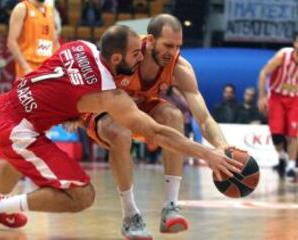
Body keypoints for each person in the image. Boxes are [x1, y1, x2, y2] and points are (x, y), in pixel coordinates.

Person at [0, 25, 242, 239]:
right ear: (116, 58)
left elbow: (61, 82)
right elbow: (156, 134)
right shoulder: (108, 93)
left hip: (9, 103)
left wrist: (70, 108)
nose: (140, 58)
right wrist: (207, 154)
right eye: (136, 54)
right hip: (17, 127)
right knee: (82, 195)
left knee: (18, 159)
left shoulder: (80, 45)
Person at [79, 14, 239, 239]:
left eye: (177, 46)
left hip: (142, 107)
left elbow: (203, 118)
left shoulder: (179, 67)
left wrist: (223, 147)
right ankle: (130, 215)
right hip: (107, 108)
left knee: (174, 115)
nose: (173, 52)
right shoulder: (127, 51)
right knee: (119, 133)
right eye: (168, 45)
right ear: (150, 40)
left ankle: (171, 207)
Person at [258, 38, 298, 180]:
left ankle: (291, 167)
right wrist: (262, 97)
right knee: (277, 135)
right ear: (295, 43)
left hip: (295, 99)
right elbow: (264, 72)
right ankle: (283, 157)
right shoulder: (283, 56)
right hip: (276, 97)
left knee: (294, 134)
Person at [7, 0, 59, 78]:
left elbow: (55, 42)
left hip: (47, 68)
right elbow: (11, 42)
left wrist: (59, 64)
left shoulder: (50, 10)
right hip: (29, 67)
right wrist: (26, 67)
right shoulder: (22, 8)